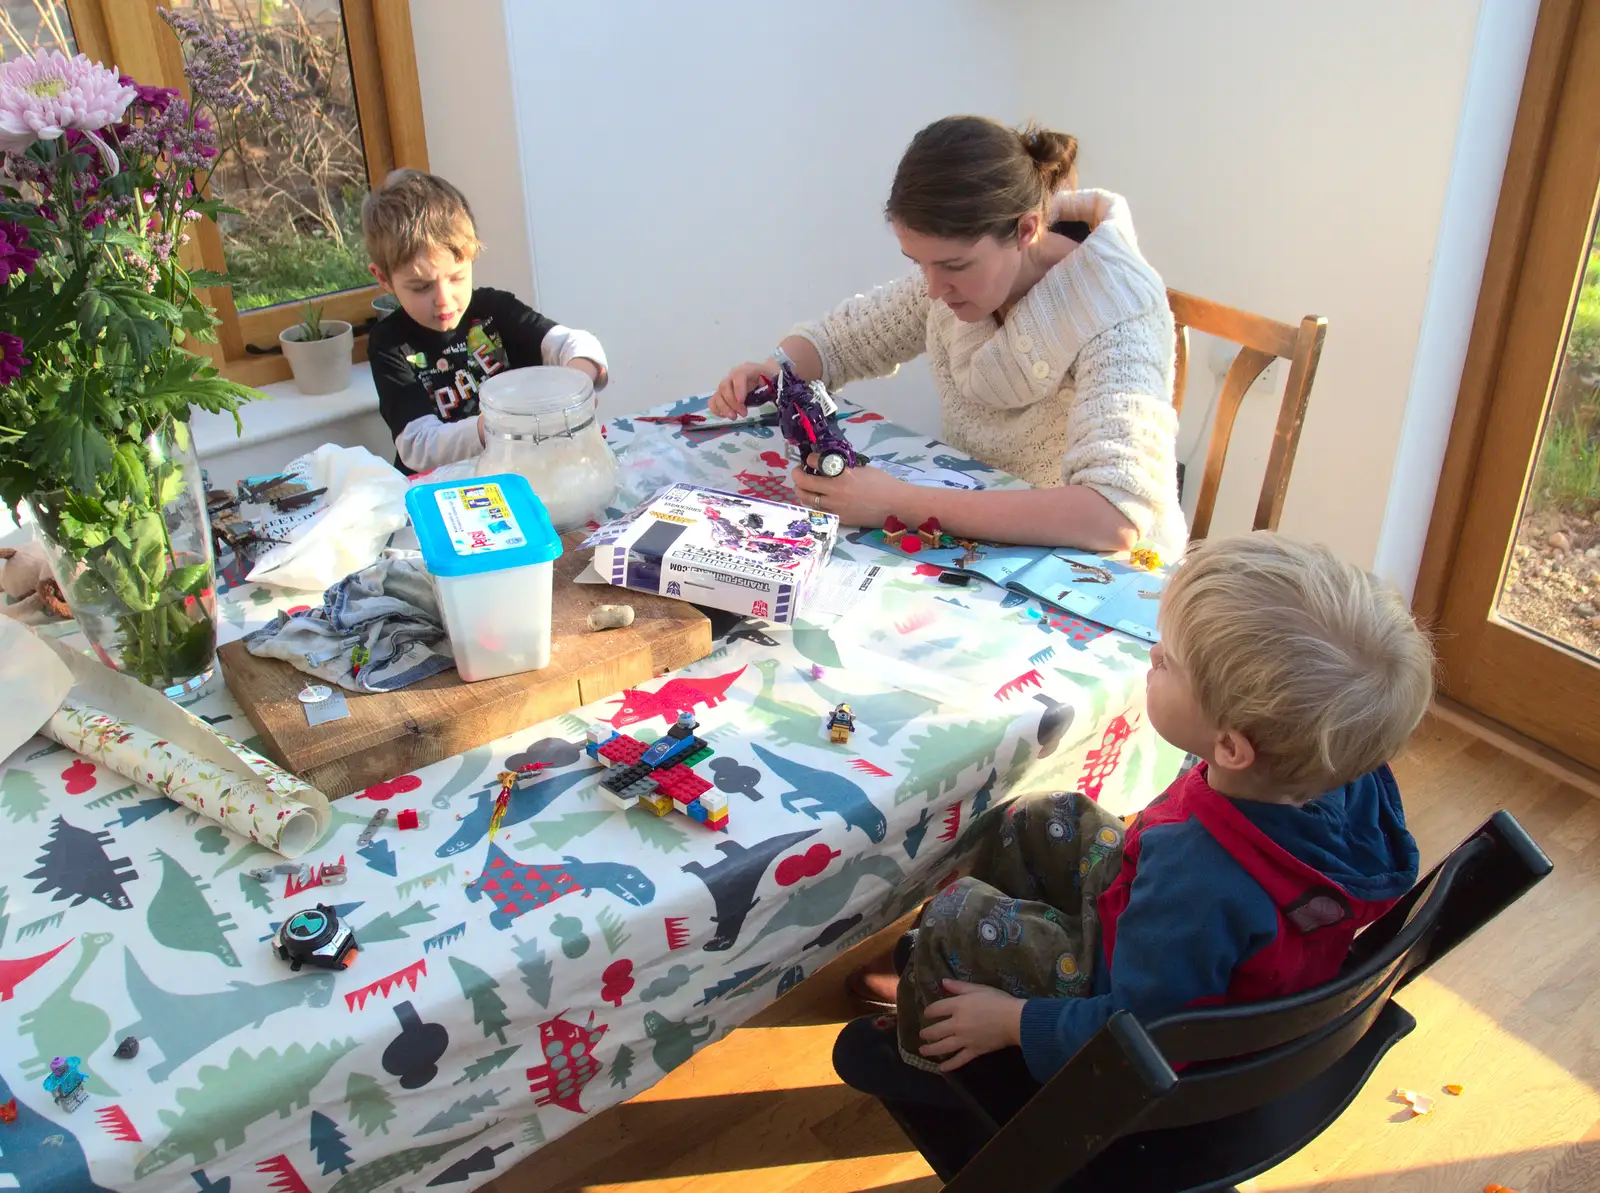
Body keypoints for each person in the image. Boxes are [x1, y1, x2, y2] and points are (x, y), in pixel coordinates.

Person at [831, 532, 1434, 1157]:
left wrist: (1016, 1024)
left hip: (1138, 1040)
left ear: (1231, 748)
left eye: (1168, 662)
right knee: (1044, 818)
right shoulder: (1334, 778)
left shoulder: (1200, 880)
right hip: (1181, 954)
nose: (1152, 657)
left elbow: (1141, 1032)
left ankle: (928, 1055)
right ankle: (980, 967)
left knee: (957, 917)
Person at [711, 115, 1185, 556]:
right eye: (920, 264)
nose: (934, 290)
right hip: (982, 533)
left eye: (954, 266)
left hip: (1106, 573)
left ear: (1026, 229)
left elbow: (1114, 516)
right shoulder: (957, 278)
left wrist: (898, 503)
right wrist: (776, 370)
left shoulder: (1119, 305)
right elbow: (842, 342)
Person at [362, 169, 610, 475]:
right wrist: (500, 426)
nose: (444, 299)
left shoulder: (494, 310)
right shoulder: (390, 343)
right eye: (421, 287)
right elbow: (418, 445)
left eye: (456, 277)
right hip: (441, 489)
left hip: (519, 475)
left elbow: (577, 344)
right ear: (383, 278)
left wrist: (574, 387)